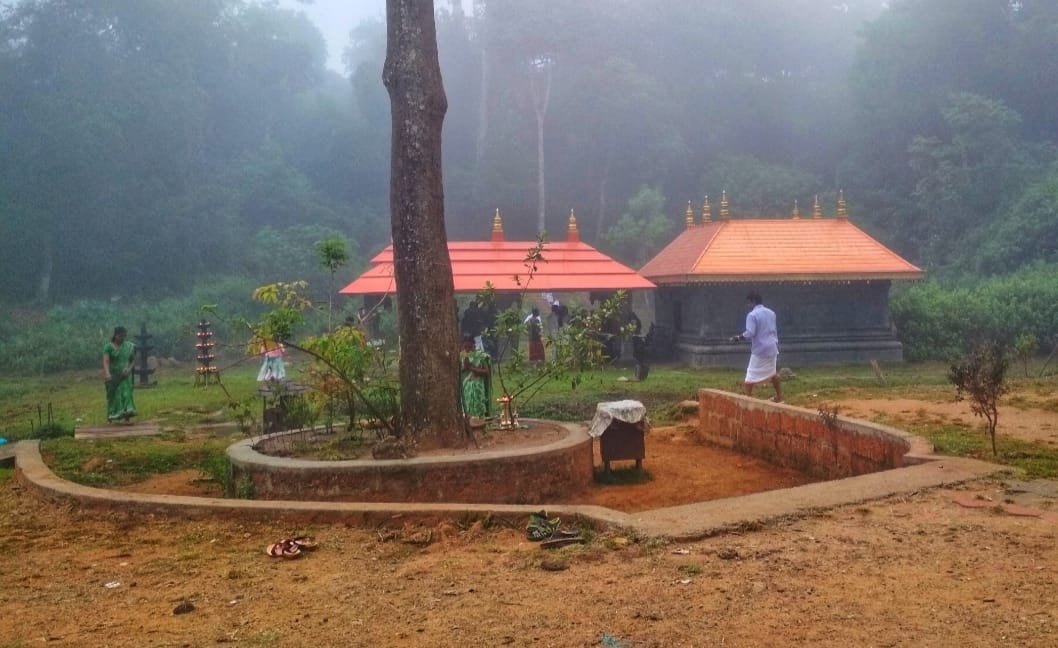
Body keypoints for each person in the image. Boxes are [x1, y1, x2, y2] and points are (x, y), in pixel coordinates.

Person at [730, 291, 783, 402]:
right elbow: (774, 331)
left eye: (748, 303)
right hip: (772, 347)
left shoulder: (752, 315)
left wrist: (738, 337)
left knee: (750, 375)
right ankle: (779, 396)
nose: (748, 306)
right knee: (773, 373)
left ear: (753, 301)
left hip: (760, 349)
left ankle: (748, 399)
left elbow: (750, 332)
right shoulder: (771, 313)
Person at [102, 326, 137, 423]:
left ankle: (127, 417)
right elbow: (106, 361)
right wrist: (107, 373)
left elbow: (133, 360)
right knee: (113, 395)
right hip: (114, 376)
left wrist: (129, 370)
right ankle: (111, 416)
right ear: (115, 335)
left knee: (126, 394)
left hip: (125, 375)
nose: (122, 338)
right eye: (120, 336)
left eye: (124, 336)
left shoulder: (128, 346)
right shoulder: (108, 347)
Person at [459, 334, 491, 423]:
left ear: (473, 344)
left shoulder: (481, 356)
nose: (467, 349)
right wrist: (465, 367)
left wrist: (471, 368)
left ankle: (480, 423)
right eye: (465, 347)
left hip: (478, 386)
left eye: (469, 346)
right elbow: (459, 371)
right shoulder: (461, 355)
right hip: (465, 386)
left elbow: (486, 372)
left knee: (478, 406)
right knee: (466, 406)